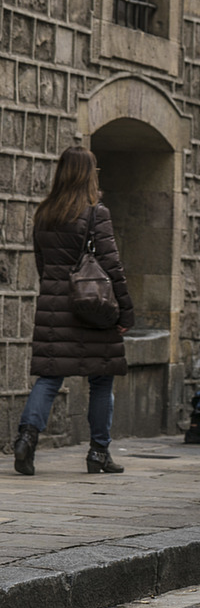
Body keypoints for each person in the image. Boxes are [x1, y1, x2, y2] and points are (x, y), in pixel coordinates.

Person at [12, 146, 134, 476]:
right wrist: (125, 313)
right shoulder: (96, 213)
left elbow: (43, 265)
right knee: (101, 380)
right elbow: (112, 266)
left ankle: (26, 438)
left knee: (49, 376)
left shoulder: (44, 214)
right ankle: (98, 452)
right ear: (89, 174)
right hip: (94, 307)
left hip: (54, 308)